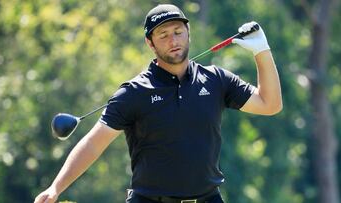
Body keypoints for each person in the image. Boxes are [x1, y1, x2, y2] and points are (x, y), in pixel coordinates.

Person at [34, 4, 282, 203]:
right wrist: (56, 188)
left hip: (207, 198)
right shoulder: (134, 92)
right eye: (163, 35)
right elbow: (92, 145)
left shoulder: (216, 79)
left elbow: (270, 104)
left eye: (177, 32)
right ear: (150, 44)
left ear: (188, 33)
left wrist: (262, 51)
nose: (173, 40)